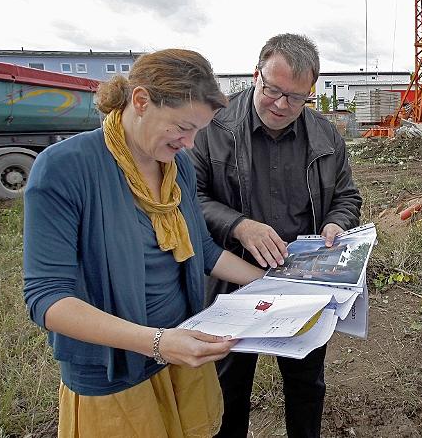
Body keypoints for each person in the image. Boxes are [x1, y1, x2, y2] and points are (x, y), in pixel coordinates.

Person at [23, 49, 266, 437]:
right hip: (113, 371)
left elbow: (201, 250)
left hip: (182, 349)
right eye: (182, 127)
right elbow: (47, 299)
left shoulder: (177, 165)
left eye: (198, 131)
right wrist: (155, 343)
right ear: (140, 101)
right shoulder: (64, 168)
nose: (189, 143)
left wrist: (273, 286)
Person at [191, 34, 362, 437]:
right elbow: (189, 199)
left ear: (310, 93)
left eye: (297, 97)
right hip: (228, 279)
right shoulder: (212, 128)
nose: (282, 105)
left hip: (302, 279)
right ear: (256, 75)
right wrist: (238, 224)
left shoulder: (325, 135)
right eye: (273, 90)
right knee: (227, 385)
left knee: (306, 382)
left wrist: (337, 222)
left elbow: (346, 196)